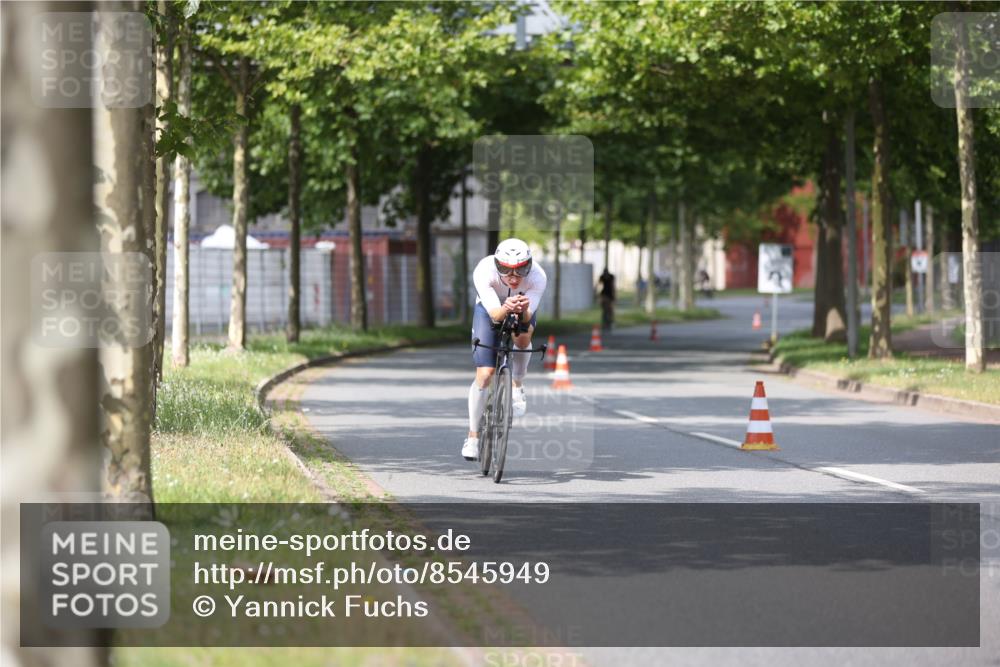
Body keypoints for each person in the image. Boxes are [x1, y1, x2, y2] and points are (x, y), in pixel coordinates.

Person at [462, 238, 547, 461]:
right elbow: (495, 316)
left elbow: (527, 318)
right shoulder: (484, 270)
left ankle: (517, 384)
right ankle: (473, 436)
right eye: (506, 270)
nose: (513, 277)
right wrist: (505, 308)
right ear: (497, 264)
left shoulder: (538, 276)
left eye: (520, 271)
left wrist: (522, 310)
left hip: (522, 307)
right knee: (485, 373)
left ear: (528, 266)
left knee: (522, 337)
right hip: (489, 309)